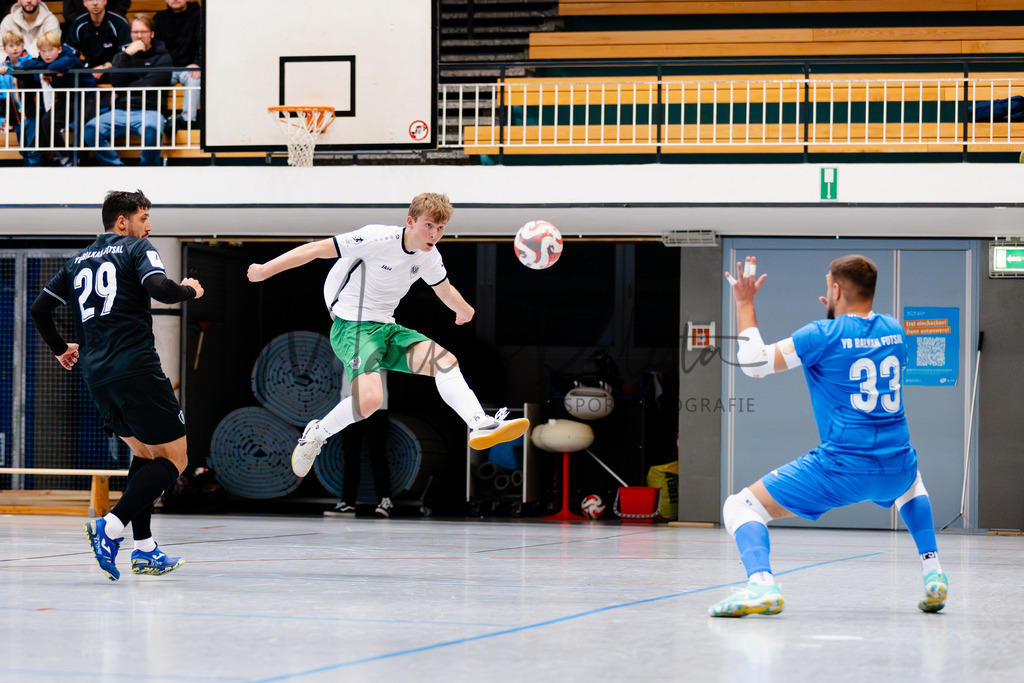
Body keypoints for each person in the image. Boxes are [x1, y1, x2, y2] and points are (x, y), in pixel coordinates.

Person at [708, 254, 947, 617]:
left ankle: (761, 585)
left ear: (835, 290)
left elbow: (755, 364)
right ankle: (934, 574)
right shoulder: (895, 329)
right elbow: (856, 345)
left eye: (828, 286)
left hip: (842, 468)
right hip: (896, 466)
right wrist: (838, 316)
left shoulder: (821, 335)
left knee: (740, 506)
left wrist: (744, 302)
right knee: (911, 482)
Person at [246, 192, 530, 480]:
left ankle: (478, 421)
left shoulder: (430, 257)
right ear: (411, 221)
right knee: (369, 402)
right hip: (352, 326)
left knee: (446, 362)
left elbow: (443, 289)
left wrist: (464, 309)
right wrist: (264, 270)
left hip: (386, 327)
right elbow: (316, 249)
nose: (435, 234)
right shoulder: (375, 239)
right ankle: (316, 434)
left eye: (441, 228)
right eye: (429, 225)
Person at [29, 189, 204, 582]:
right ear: (122, 222)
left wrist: (61, 349)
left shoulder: (76, 262)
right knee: (176, 459)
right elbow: (160, 289)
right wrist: (189, 290)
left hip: (97, 375)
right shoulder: (134, 249)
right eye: (144, 217)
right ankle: (109, 528)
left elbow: (39, 310)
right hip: (136, 368)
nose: (150, 225)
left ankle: (144, 550)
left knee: (144, 455)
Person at [83, 14, 170, 166]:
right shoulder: (123, 56)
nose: (139, 36)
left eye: (143, 32)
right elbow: (115, 81)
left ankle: (147, 170)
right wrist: (127, 54)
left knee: (152, 128)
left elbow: (151, 84)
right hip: (121, 110)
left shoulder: (163, 57)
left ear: (152, 34)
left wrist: (124, 89)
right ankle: (117, 168)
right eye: (135, 32)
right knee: (91, 128)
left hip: (150, 110)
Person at [16, 30, 97, 165]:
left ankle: (81, 162)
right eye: (43, 51)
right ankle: (64, 157)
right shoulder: (44, 59)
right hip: (67, 98)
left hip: (87, 95)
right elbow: (27, 65)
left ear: (59, 49)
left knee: (82, 125)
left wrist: (47, 70)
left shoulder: (68, 55)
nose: (47, 55)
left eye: (51, 50)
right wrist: (48, 70)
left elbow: (56, 66)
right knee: (47, 121)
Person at [323, 371, 393, 518]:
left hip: (376, 405)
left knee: (377, 453)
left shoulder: (381, 346)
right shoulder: (345, 347)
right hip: (349, 405)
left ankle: (385, 500)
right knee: (350, 455)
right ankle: (347, 502)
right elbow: (335, 364)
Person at [153, 0, 200, 128]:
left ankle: (187, 121)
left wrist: (197, 63)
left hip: (190, 68)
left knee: (195, 80)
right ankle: (157, 119)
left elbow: (204, 42)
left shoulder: (199, 15)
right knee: (153, 77)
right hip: (167, 67)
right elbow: (156, 47)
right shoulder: (159, 18)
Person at [64, 0, 130, 74]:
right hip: (88, 72)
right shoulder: (78, 24)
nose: (95, 3)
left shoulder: (119, 23)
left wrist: (106, 66)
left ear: (105, 1)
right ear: (84, 3)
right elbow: (68, 54)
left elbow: (127, 55)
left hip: (114, 71)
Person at [61, 0, 129, 33]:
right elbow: (69, 11)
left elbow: (122, 6)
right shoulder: (78, 26)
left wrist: (108, 21)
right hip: (80, 27)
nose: (95, 3)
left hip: (110, 25)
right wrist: (84, 23)